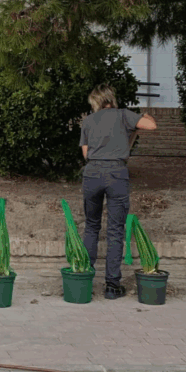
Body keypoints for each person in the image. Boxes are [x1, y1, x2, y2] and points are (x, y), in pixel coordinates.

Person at [78, 85, 157, 299]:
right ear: (111, 99)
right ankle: (112, 286)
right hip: (116, 174)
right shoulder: (123, 115)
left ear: (96, 102)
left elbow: (86, 154)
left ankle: (84, 280)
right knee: (115, 230)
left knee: (91, 226)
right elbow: (151, 125)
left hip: (92, 174)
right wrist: (143, 117)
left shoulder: (88, 121)